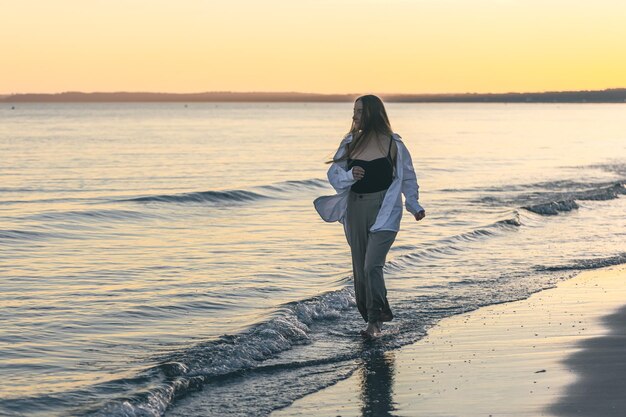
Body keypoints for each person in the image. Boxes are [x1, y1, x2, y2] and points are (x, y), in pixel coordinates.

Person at [314, 94, 426, 338]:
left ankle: (374, 322)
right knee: (360, 269)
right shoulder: (350, 142)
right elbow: (334, 173)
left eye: (359, 111)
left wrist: (414, 205)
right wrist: (349, 175)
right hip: (356, 209)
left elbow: (408, 177)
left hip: (385, 209)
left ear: (373, 113)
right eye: (354, 110)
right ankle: (375, 314)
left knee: (371, 266)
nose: (354, 116)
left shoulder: (393, 144)